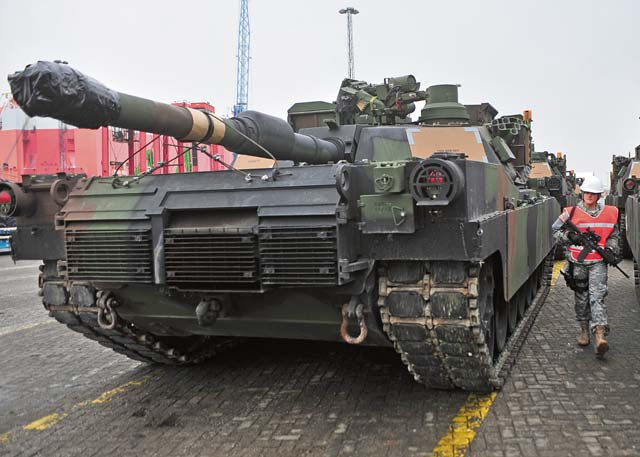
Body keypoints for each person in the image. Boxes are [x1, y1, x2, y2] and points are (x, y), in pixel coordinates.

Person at [552, 175, 620, 356]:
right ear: (582, 193)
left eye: (594, 193)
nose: (589, 196)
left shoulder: (609, 212)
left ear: (599, 195)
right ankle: (583, 330)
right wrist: (569, 237)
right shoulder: (570, 213)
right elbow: (555, 231)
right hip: (577, 263)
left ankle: (599, 335)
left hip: (598, 262)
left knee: (597, 297)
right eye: (587, 192)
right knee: (581, 299)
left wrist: (612, 249)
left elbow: (614, 235)